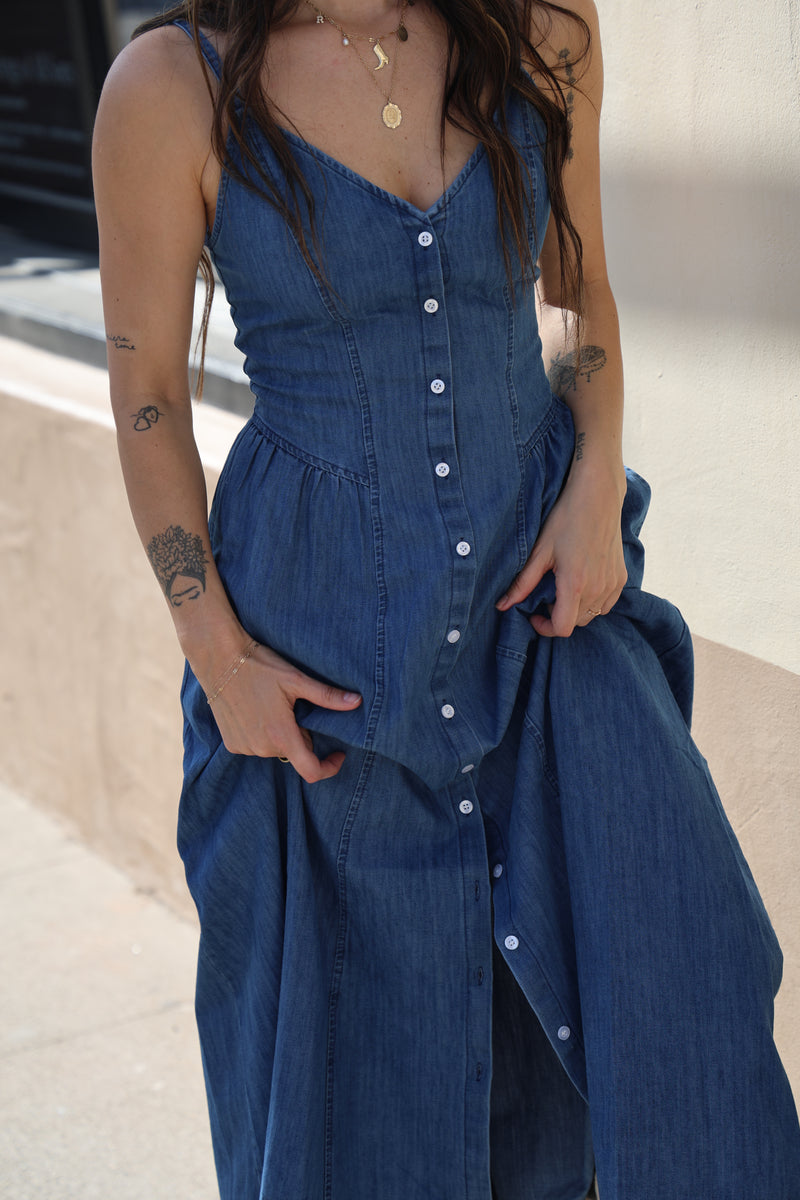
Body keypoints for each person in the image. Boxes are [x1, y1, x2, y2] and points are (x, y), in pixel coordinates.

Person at [91, 0, 800, 1195]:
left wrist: (591, 486)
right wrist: (217, 659)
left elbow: (580, 293)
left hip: (547, 634)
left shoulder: (539, 30)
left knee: (678, 1023)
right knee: (356, 1098)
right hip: (317, 669)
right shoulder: (172, 86)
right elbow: (148, 394)